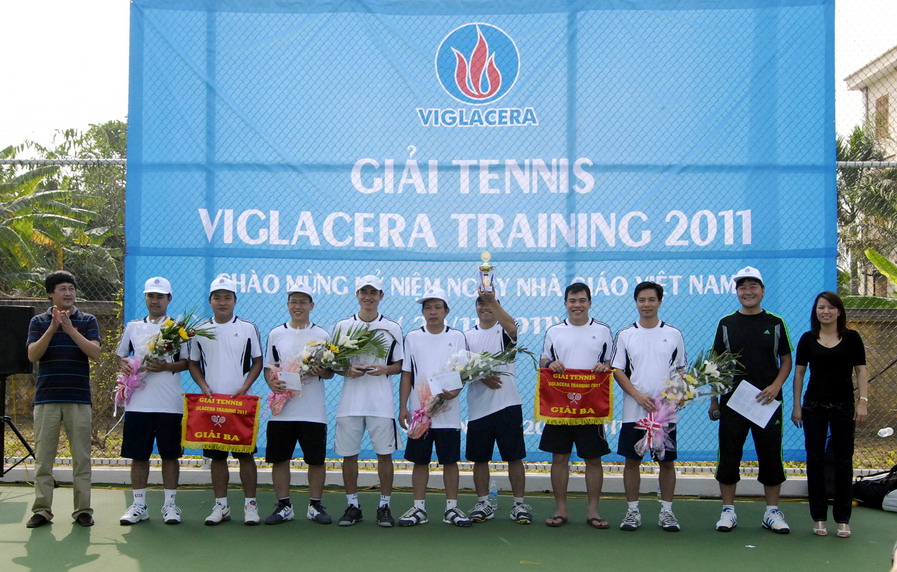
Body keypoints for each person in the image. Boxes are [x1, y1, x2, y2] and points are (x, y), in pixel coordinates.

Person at [709, 266, 793, 533]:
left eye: (753, 286)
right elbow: (716, 364)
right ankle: (728, 511)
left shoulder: (775, 323)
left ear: (762, 291)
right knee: (729, 455)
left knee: (770, 455)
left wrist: (775, 386)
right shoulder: (726, 324)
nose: (748, 292)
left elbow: (786, 359)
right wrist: (714, 401)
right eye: (742, 287)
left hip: (767, 403)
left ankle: (772, 512)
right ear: (737, 292)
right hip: (733, 402)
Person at [25, 271, 102, 528]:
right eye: (62, 289)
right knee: (43, 459)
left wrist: (70, 330)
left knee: (82, 459)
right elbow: (33, 355)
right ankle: (42, 511)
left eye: (71, 288)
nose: (68, 293)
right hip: (46, 399)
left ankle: (83, 510)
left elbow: (95, 353)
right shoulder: (38, 321)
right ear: (50, 293)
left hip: (78, 399)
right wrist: (52, 328)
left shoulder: (88, 320)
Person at [791, 291, 868, 538]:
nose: (826, 311)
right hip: (813, 407)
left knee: (844, 461)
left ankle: (843, 519)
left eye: (831, 307)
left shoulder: (852, 338)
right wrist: (796, 406)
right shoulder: (807, 339)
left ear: (839, 311)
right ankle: (819, 518)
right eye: (821, 307)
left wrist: (862, 402)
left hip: (844, 407)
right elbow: (799, 373)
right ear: (815, 311)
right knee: (815, 460)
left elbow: (861, 371)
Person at [188, 276, 263, 526]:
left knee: (245, 456)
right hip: (212, 404)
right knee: (217, 457)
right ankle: (221, 506)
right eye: (217, 298)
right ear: (210, 301)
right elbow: (193, 363)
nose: (222, 302)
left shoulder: (248, 327)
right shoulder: (200, 329)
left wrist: (244, 387)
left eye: (227, 297)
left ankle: (250, 506)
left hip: (240, 404)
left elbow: (258, 362)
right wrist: (204, 387)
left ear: (235, 301)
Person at [612, 281, 687, 532]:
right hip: (634, 412)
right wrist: (637, 395)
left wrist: (674, 396)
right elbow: (617, 370)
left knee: (666, 462)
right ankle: (632, 512)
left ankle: (667, 512)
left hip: (664, 414)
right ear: (636, 303)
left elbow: (680, 370)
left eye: (651, 300)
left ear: (660, 302)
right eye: (642, 300)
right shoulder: (625, 335)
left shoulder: (673, 334)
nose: (646, 304)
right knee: (632, 461)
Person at [115, 277, 189, 525]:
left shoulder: (178, 329)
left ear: (169, 299)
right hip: (138, 404)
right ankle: (139, 505)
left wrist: (166, 366)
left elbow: (186, 363)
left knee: (170, 456)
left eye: (160, 296)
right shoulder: (134, 327)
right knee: (139, 456)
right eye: (151, 296)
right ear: (146, 298)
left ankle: (170, 506)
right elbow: (120, 355)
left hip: (169, 404)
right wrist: (126, 366)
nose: (155, 300)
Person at [539, 282, 613, 529]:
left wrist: (605, 367)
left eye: (582, 300)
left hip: (590, 407)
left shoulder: (602, 330)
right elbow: (544, 358)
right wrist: (550, 364)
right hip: (560, 406)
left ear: (589, 303)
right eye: (572, 301)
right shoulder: (554, 331)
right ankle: (561, 509)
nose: (577, 305)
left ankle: (593, 511)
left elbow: (611, 362)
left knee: (593, 458)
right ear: (565, 303)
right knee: (559, 457)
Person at [333, 275, 404, 527]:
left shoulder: (392, 327)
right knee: (349, 456)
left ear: (381, 296)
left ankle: (384, 506)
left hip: (380, 403)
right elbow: (333, 364)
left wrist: (384, 369)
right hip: (350, 403)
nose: (368, 297)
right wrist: (347, 371)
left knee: (385, 455)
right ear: (357, 295)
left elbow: (399, 365)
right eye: (364, 292)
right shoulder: (342, 326)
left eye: (373, 292)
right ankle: (353, 505)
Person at [398, 286, 472, 527]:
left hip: (448, 413)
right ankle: (419, 508)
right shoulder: (412, 337)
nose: (433, 312)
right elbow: (407, 374)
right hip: (420, 414)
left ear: (446, 311)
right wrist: (403, 407)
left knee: (450, 461)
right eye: (428, 307)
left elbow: (463, 373)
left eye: (437, 307)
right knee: (420, 461)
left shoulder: (457, 337)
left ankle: (451, 508)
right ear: (423, 312)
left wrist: (455, 391)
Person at [262, 283, 335, 526]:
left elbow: (330, 372)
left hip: (313, 411)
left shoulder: (323, 335)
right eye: (294, 301)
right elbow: (269, 368)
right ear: (288, 305)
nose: (298, 306)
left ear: (311, 306)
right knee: (280, 459)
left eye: (303, 302)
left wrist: (321, 370)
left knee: (316, 460)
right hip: (282, 411)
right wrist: (272, 383)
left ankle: (315, 506)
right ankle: (284, 506)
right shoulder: (276, 334)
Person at [464, 289, 532, 525]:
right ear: (475, 308)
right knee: (480, 459)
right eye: (481, 303)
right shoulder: (466, 336)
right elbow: (460, 369)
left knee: (514, 457)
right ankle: (483, 504)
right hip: (479, 409)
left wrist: (492, 300)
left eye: (490, 303)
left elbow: (513, 328)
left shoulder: (504, 330)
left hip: (507, 404)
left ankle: (519, 505)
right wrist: (481, 375)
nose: (485, 307)